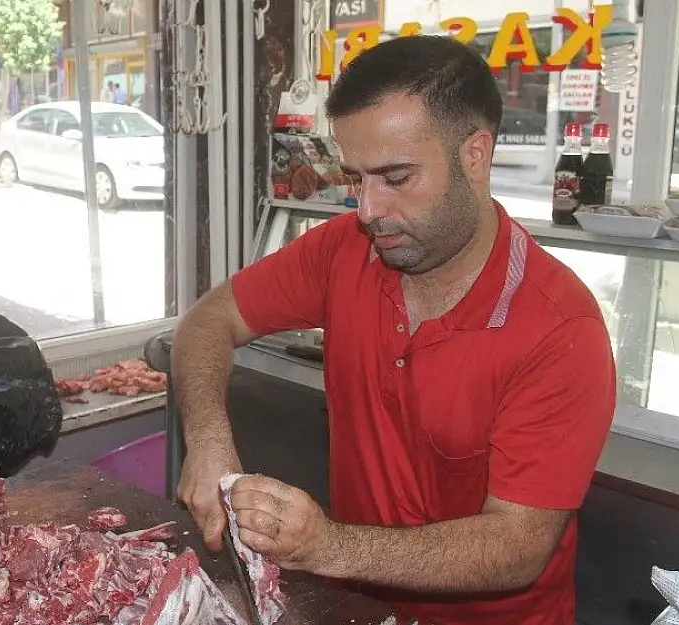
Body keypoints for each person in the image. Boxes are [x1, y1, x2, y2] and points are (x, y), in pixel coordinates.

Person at [171, 35, 615, 625]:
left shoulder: (561, 328)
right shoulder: (347, 250)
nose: (367, 209)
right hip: (358, 610)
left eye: (396, 178)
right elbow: (209, 318)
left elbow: (518, 546)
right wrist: (206, 439)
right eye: (356, 178)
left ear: (475, 158)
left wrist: (327, 545)